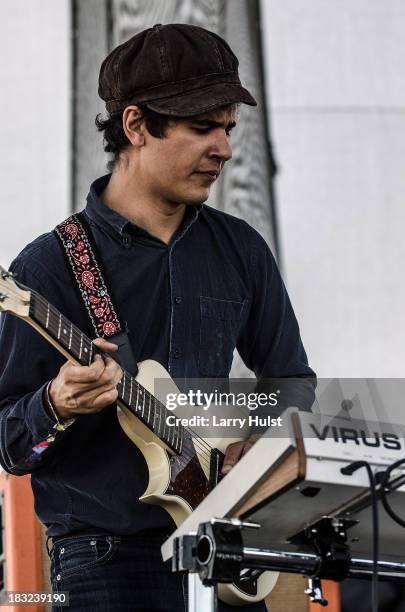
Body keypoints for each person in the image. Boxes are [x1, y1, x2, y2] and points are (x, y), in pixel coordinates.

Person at [0, 24, 314, 611]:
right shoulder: (46, 269)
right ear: (136, 126)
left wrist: (259, 440)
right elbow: (8, 442)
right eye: (202, 128)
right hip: (108, 560)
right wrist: (54, 404)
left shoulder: (240, 248)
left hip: (229, 541)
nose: (223, 148)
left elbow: (292, 380)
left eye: (227, 128)